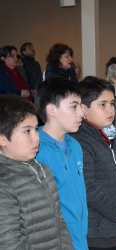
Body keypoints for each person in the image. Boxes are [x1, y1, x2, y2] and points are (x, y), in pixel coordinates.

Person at [71, 76, 116, 250]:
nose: (110, 109)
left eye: (112, 103)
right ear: (84, 108)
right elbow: (88, 188)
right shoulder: (79, 141)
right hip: (95, 233)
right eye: (102, 104)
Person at [0, 94, 73, 249]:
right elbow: (9, 244)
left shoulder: (43, 170)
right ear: (2, 138)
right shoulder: (4, 183)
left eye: (35, 129)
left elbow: (60, 222)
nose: (36, 138)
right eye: (27, 131)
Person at [35, 77, 88, 250]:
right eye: (74, 106)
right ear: (51, 109)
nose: (81, 113)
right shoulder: (36, 149)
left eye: (80, 106)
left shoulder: (74, 145)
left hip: (79, 237)